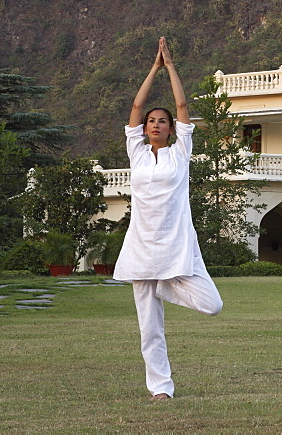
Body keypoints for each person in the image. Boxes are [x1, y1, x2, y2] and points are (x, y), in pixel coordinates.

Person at [114, 37, 223, 400]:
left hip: (177, 247)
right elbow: (135, 105)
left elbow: (181, 103)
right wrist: (153, 68)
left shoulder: (181, 153)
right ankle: (160, 388)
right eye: (151, 122)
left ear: (172, 128)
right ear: (144, 129)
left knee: (212, 305)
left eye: (162, 122)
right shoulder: (138, 154)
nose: (156, 125)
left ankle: (164, 285)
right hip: (142, 250)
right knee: (150, 329)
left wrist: (170, 65)